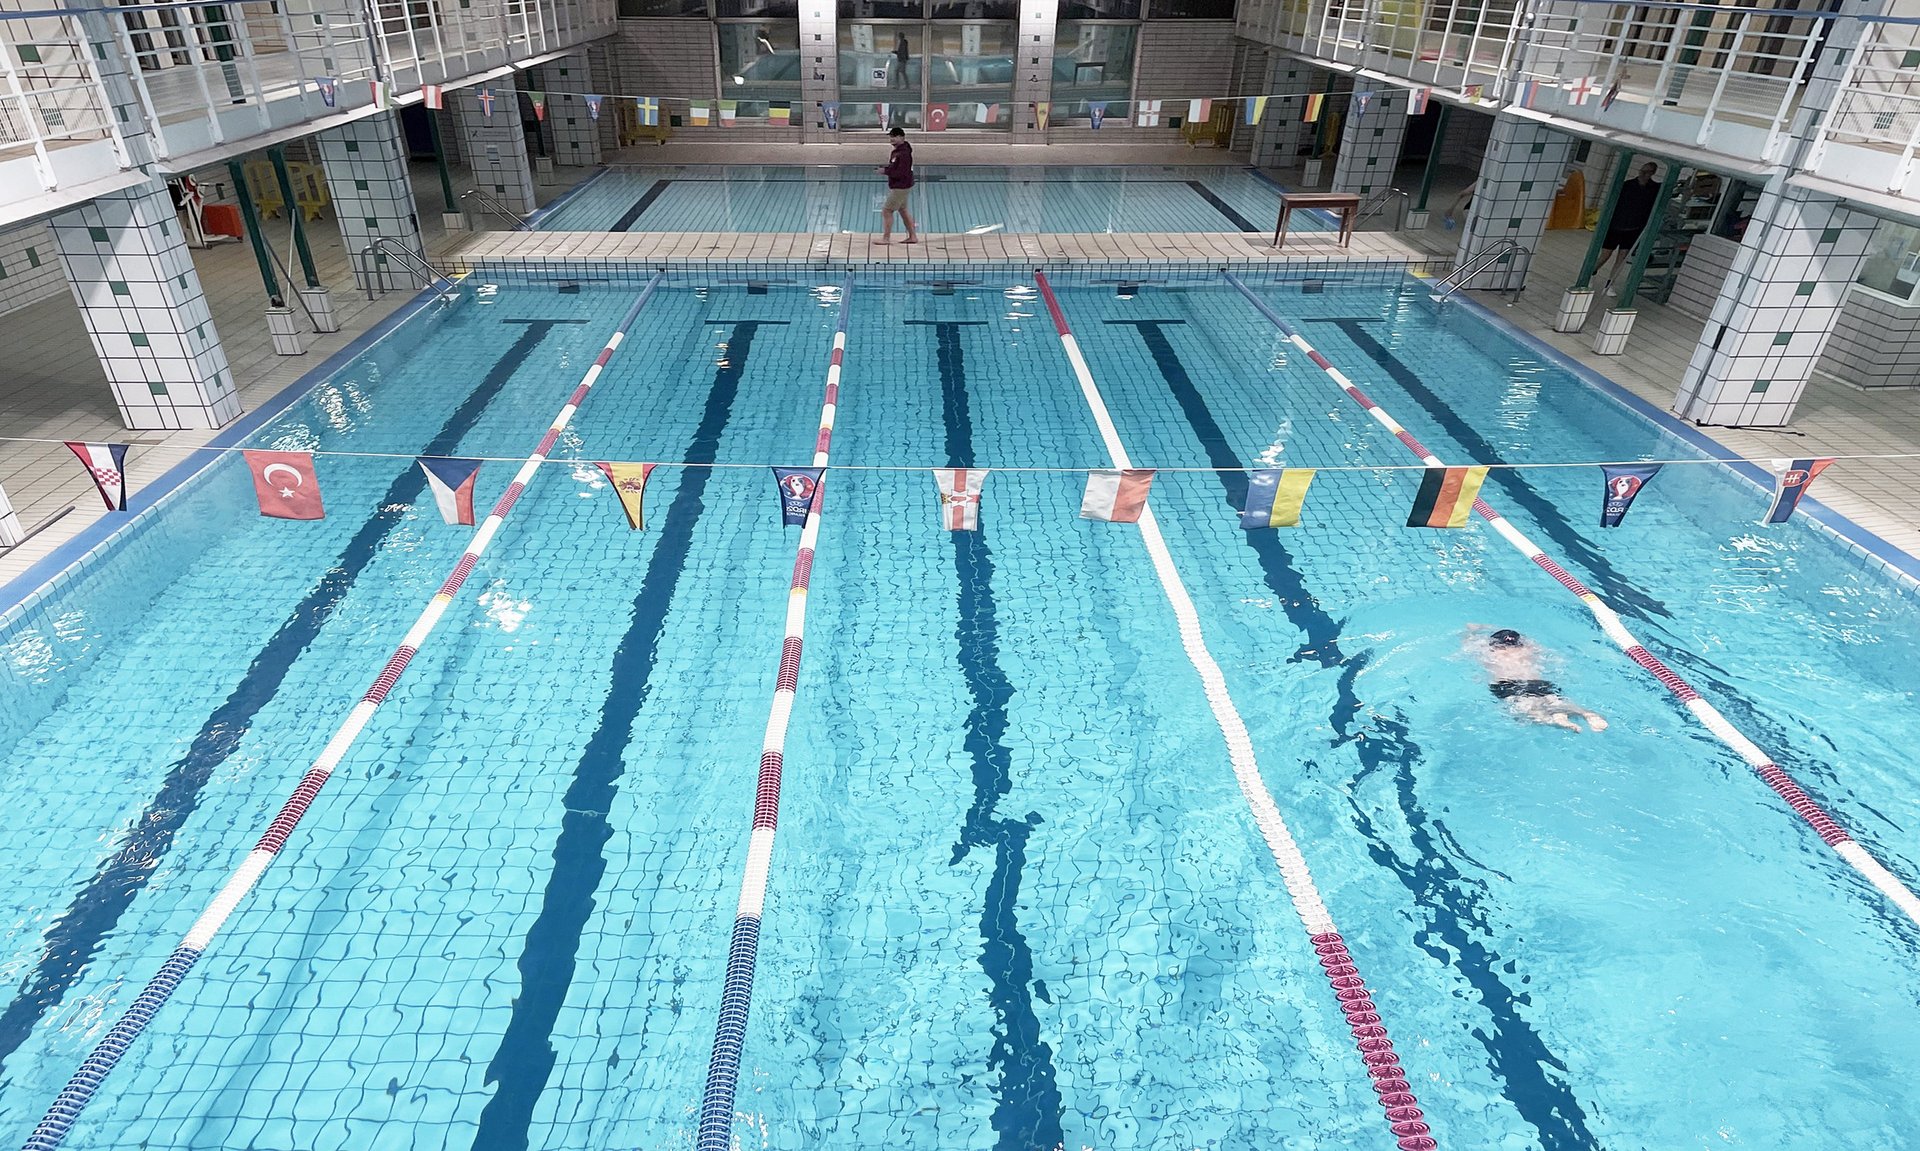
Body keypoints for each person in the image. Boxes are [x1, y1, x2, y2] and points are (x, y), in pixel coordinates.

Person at [1468, 626, 1608, 732]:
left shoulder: (1489, 652)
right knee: (1556, 701)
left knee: (1527, 711)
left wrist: (1473, 631)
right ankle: (1587, 714)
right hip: (1540, 683)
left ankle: (1555, 720)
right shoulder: (1529, 650)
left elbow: (1469, 643)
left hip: (1508, 684)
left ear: (1494, 643)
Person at [1599, 161, 1661, 294]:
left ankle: (1610, 284)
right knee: (1605, 254)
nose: (1643, 174)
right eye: (1642, 171)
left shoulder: (1654, 188)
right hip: (1616, 225)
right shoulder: (1627, 185)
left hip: (1634, 227)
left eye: (1647, 172)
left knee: (1622, 257)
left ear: (1652, 173)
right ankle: (1591, 273)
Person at [877, 126, 918, 244]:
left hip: (900, 186)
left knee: (887, 210)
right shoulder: (901, 150)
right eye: (891, 136)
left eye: (894, 137)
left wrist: (885, 171)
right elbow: (897, 168)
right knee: (903, 210)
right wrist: (887, 169)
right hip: (904, 184)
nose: (892, 139)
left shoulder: (903, 153)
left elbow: (901, 172)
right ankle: (913, 237)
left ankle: (886, 238)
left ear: (902, 137)